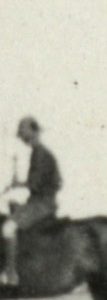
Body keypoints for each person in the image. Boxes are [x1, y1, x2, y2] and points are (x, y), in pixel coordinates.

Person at [1, 117, 62, 289]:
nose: (23, 139)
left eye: (25, 135)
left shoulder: (41, 153)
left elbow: (37, 183)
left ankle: (11, 274)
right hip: (38, 201)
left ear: (35, 133)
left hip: (43, 204)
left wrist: (17, 183)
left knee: (8, 228)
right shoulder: (38, 152)